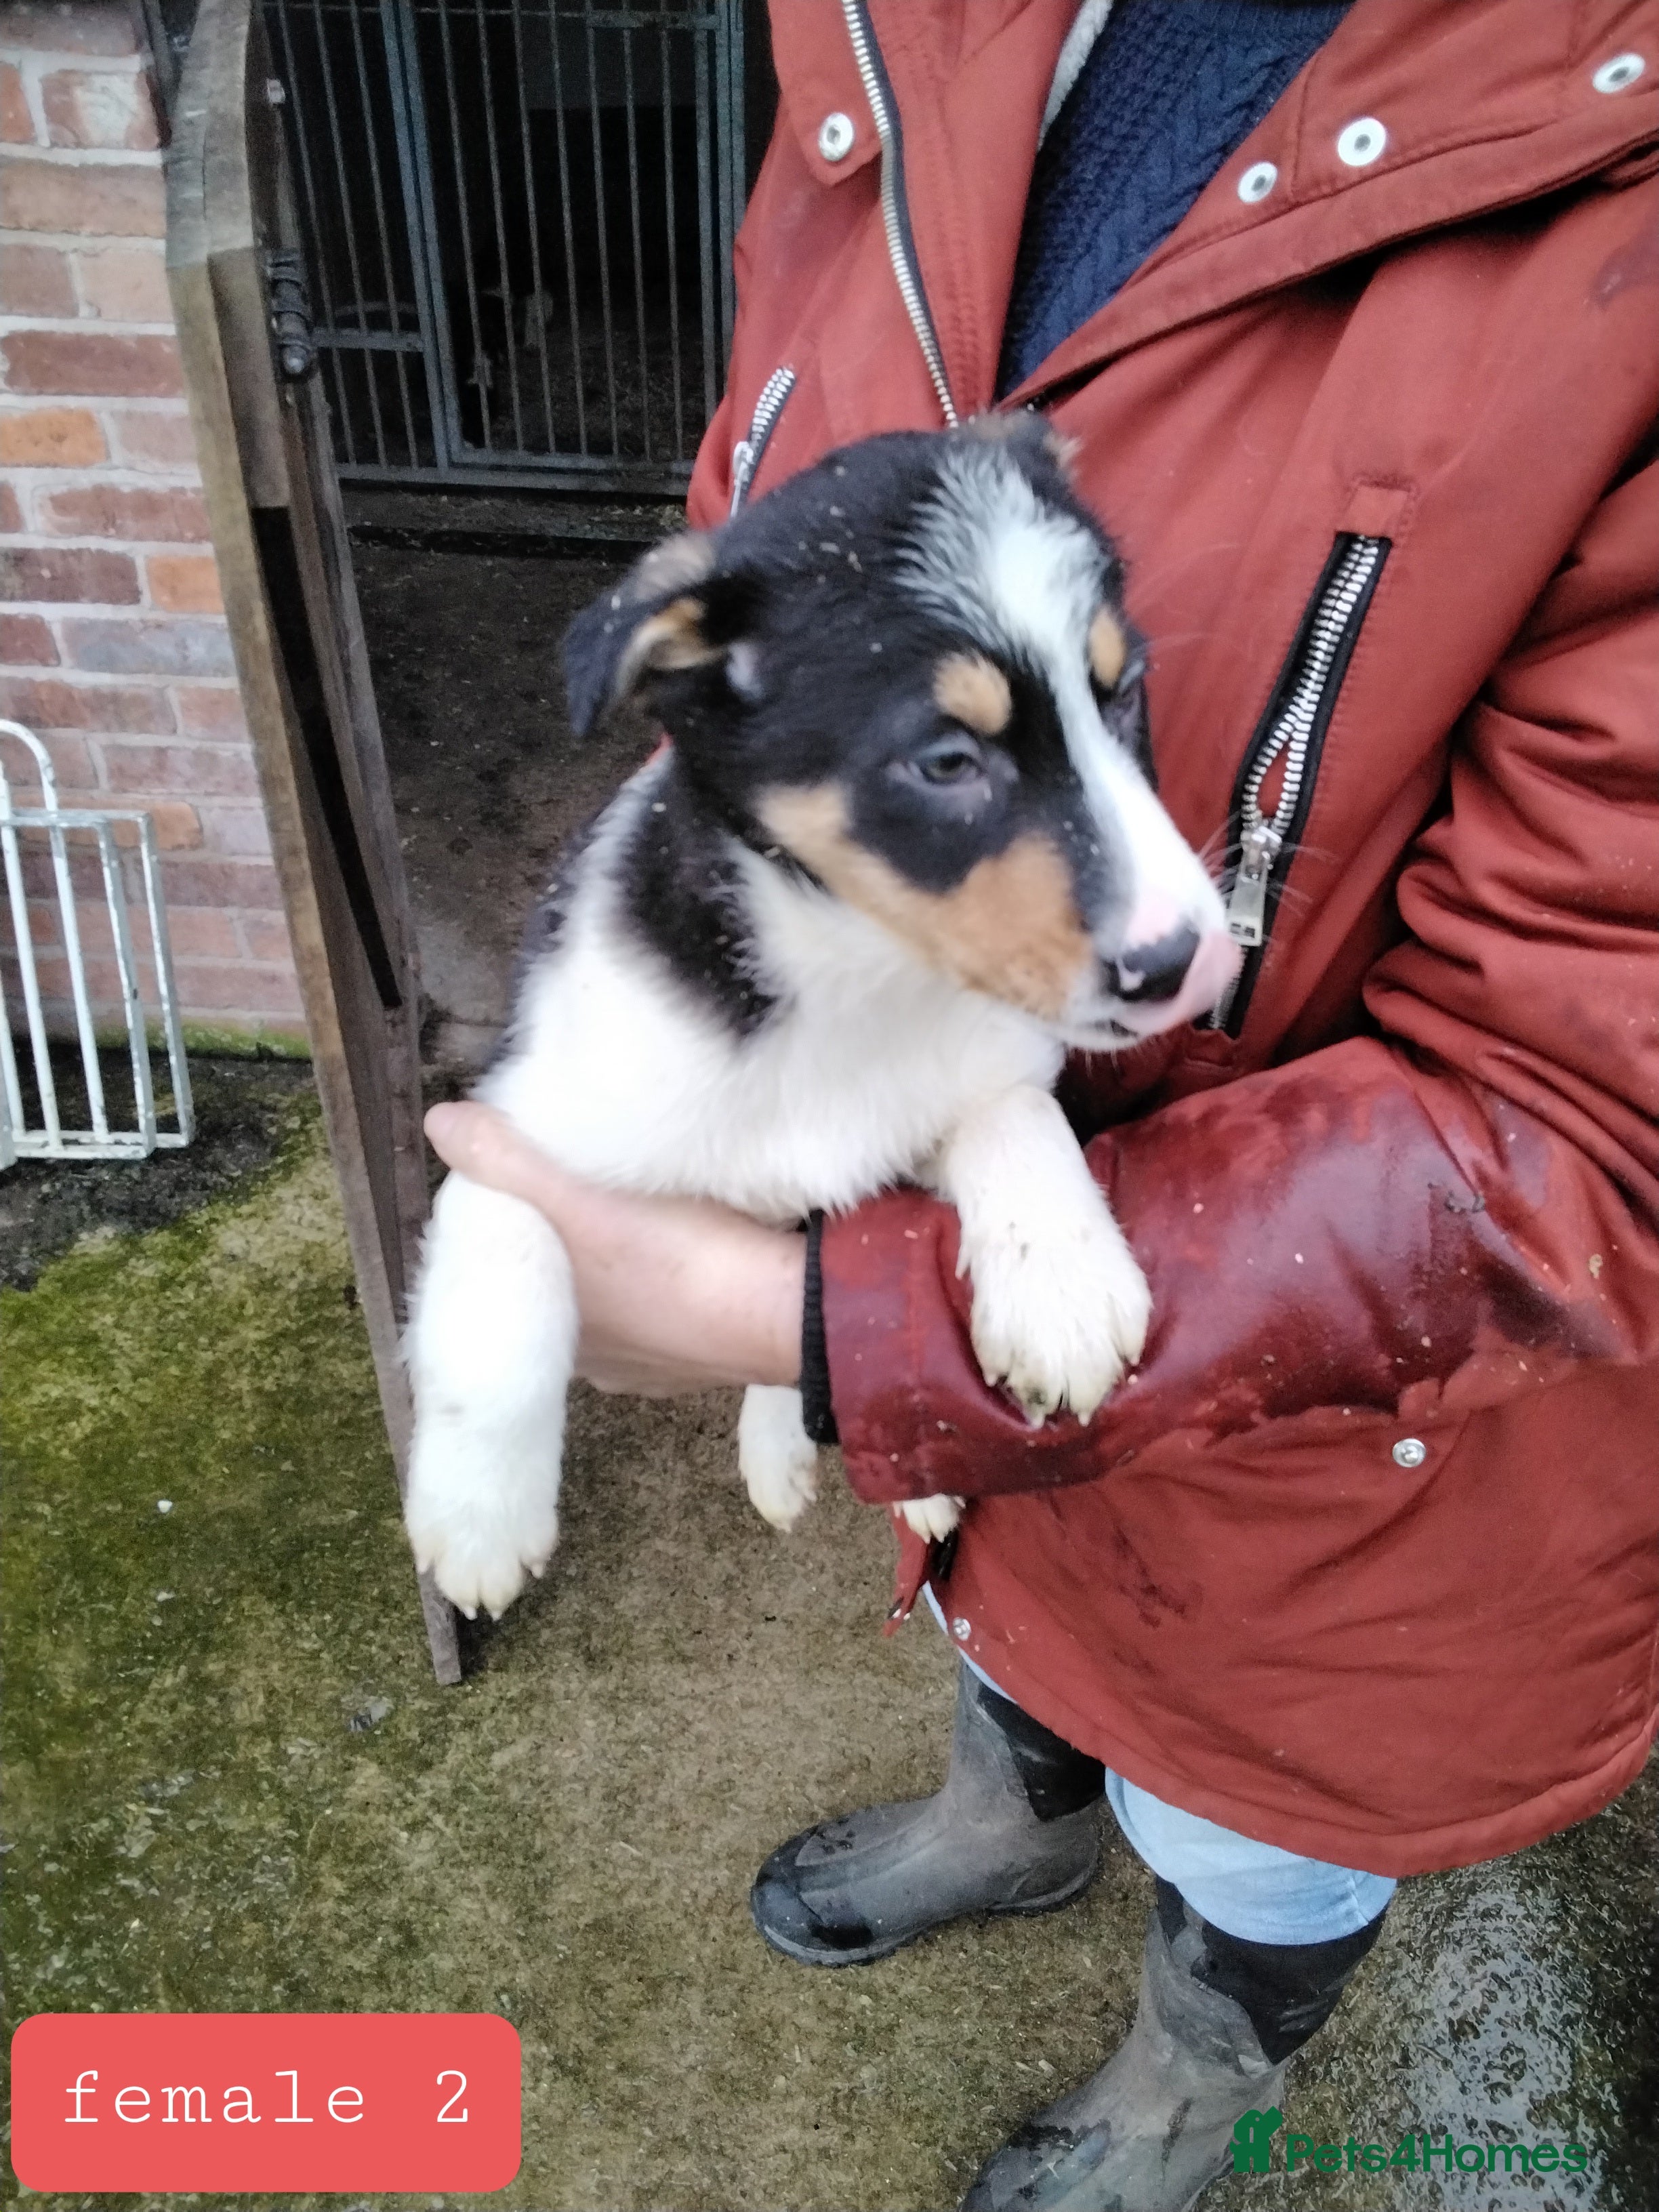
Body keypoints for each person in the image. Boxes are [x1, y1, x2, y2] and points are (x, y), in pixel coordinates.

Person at [425, 1, 1659, 2203]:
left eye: (1113, 706)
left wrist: (805, 1333)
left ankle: (1197, 2074)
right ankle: (1013, 1821)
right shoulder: (902, 29)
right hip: (1022, 1421)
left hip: (1368, 1474)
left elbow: (1591, 1124)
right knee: (1008, 1621)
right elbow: (763, 518)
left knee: (1258, 1825)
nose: (1166, 910)